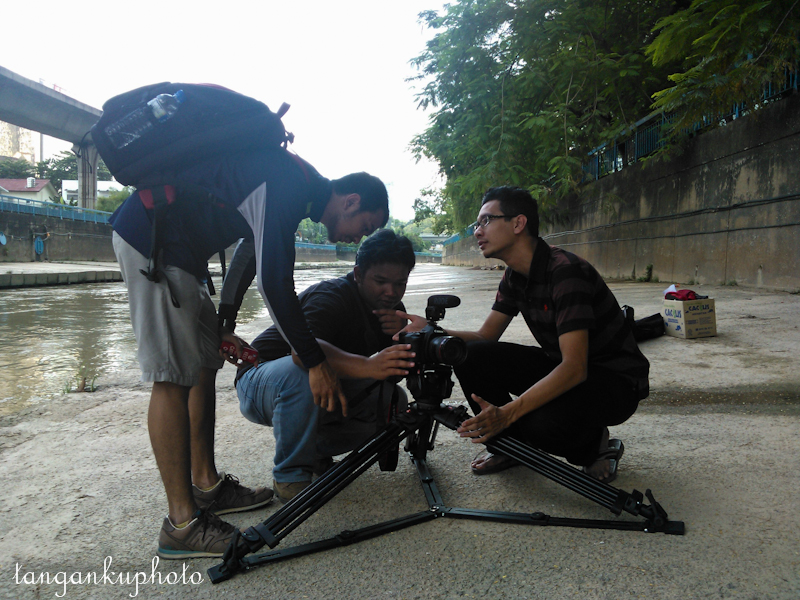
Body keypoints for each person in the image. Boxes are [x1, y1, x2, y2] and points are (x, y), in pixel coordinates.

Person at [109, 146, 389, 559]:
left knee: (204, 366)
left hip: (184, 251)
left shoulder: (298, 189)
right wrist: (315, 362)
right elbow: (274, 283)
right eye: (366, 225)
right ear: (350, 201)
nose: (360, 237)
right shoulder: (291, 184)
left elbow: (249, 249)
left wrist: (224, 320)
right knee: (171, 378)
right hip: (154, 240)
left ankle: (207, 487)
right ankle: (182, 525)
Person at [396, 186, 649, 483]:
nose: (477, 231)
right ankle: (509, 448)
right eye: (477, 224)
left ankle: (595, 447)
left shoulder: (565, 272)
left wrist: (509, 412)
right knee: (469, 354)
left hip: (613, 383)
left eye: (486, 220)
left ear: (518, 223)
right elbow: (486, 336)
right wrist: (433, 332)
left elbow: (575, 367)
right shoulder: (514, 276)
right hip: (565, 367)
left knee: (539, 425)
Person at [226, 229, 417, 502]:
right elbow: (302, 353)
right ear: (358, 274)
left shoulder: (393, 311)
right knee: (303, 371)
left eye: (400, 283)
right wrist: (369, 365)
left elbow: (391, 373)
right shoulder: (331, 295)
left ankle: (314, 454)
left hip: (312, 384)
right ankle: (290, 476)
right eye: (380, 281)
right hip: (259, 379)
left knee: (392, 399)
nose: (391, 292)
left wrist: (404, 335)